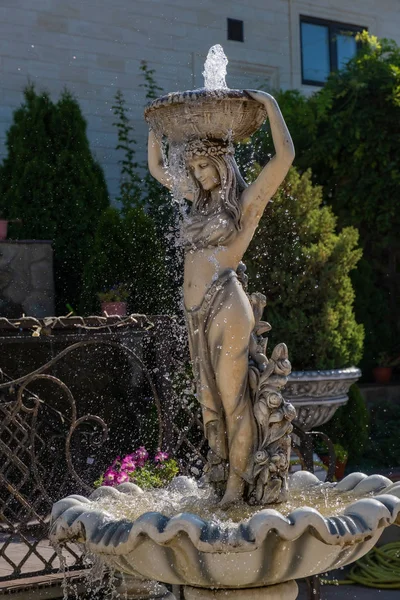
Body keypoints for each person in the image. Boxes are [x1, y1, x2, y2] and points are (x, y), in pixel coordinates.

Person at [148, 90, 294, 507]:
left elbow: (284, 159)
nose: (198, 173)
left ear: (223, 164)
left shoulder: (245, 206)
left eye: (205, 165)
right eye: (193, 166)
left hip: (226, 303)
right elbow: (157, 168)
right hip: (195, 312)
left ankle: (235, 489)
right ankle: (223, 477)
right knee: (210, 403)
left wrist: (268, 104)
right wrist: (155, 131)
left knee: (233, 401)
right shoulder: (197, 201)